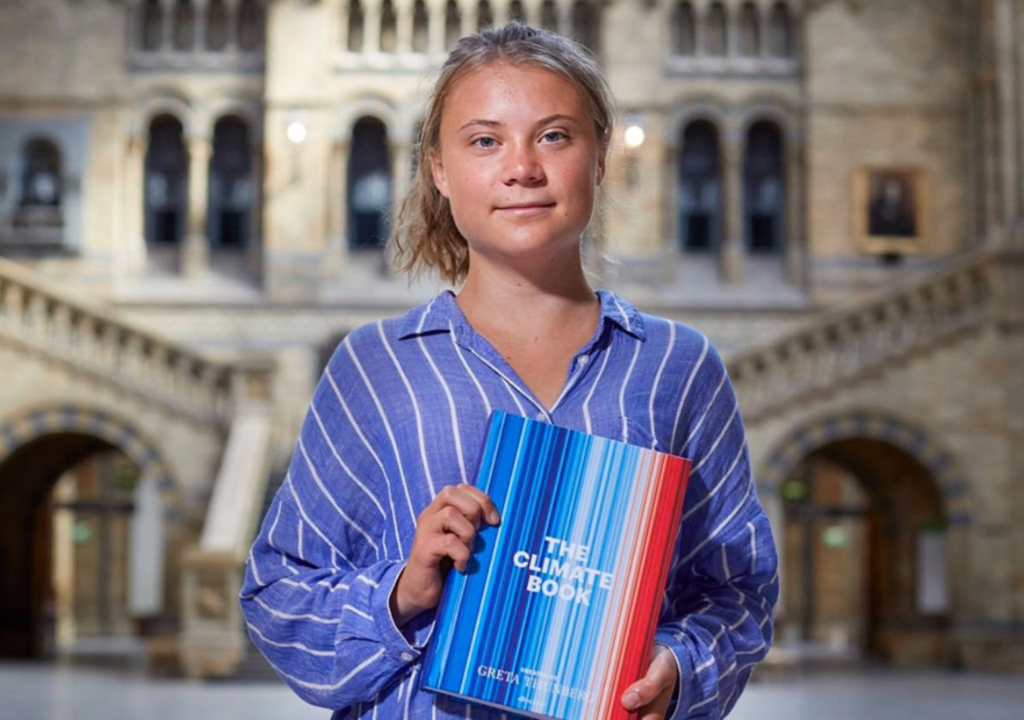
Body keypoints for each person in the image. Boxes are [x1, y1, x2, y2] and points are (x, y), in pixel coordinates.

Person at [240, 22, 778, 720]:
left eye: (554, 136)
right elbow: (277, 591)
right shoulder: (375, 369)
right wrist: (400, 593)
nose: (522, 167)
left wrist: (678, 668)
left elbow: (739, 591)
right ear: (438, 168)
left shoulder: (680, 369)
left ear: (601, 157)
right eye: (485, 140)